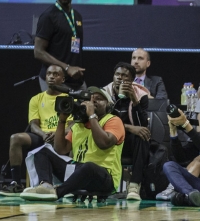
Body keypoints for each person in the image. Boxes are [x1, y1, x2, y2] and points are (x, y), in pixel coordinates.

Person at [20, 87, 125, 201]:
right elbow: (60, 149)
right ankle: (46, 186)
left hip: (104, 178)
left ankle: (57, 192)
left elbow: (104, 143)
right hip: (79, 173)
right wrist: (62, 120)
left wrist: (91, 116)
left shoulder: (113, 120)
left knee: (89, 166)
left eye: (98, 99)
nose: (92, 101)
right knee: (42, 151)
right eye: (89, 99)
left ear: (108, 105)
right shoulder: (77, 125)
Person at [0, 64, 68, 196]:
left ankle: (69, 185)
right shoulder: (36, 99)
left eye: (56, 74)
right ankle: (16, 183)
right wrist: (43, 135)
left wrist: (57, 134)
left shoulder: (69, 98)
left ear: (63, 79)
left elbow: (72, 125)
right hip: (43, 136)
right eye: (49, 74)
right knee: (15, 138)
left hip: (62, 137)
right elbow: (33, 124)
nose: (51, 77)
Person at [101, 62, 152, 201]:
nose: (120, 78)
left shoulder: (141, 95)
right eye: (117, 74)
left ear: (132, 80)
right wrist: (129, 127)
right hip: (109, 138)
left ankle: (134, 185)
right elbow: (101, 122)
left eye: (125, 76)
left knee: (143, 135)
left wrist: (134, 100)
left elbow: (142, 125)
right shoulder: (103, 93)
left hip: (129, 143)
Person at [33, 0, 85, 91]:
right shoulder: (48, 16)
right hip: (55, 81)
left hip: (76, 80)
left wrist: (72, 69)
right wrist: (67, 68)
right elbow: (38, 52)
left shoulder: (77, 16)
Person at [162, 108, 200, 207]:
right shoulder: (197, 137)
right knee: (169, 165)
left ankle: (184, 195)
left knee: (198, 161)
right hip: (196, 186)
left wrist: (186, 125)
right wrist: (173, 130)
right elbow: (181, 158)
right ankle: (190, 194)